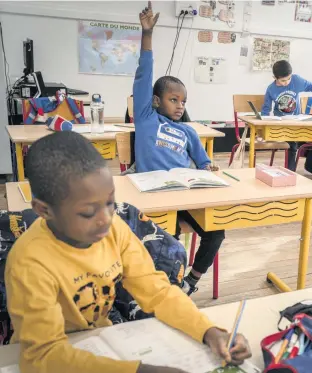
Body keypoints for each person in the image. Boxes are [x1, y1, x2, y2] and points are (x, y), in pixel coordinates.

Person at [5, 131, 251, 373]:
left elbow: (158, 293)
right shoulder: (30, 263)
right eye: (88, 213)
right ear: (43, 210)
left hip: (99, 340)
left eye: (110, 202)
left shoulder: (114, 230)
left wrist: (208, 331)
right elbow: (41, 357)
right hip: (52, 358)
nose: (105, 219)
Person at [133, 2, 224, 295]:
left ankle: (190, 281)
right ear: (156, 100)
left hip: (183, 194)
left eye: (183, 101)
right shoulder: (146, 118)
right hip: (155, 197)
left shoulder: (187, 130)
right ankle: (165, 283)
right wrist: (147, 34)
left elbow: (203, 160)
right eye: (174, 99)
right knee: (167, 238)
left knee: (216, 232)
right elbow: (144, 74)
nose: (180, 105)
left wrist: (209, 167)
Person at [262, 60, 312, 171]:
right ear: (275, 77)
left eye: (289, 78)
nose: (287, 82)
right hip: (281, 123)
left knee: (295, 143)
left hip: (296, 121)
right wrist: (262, 126)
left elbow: (310, 86)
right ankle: (290, 171)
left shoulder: (297, 80)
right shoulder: (271, 89)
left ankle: (296, 170)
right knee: (292, 144)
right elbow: (266, 109)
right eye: (283, 80)